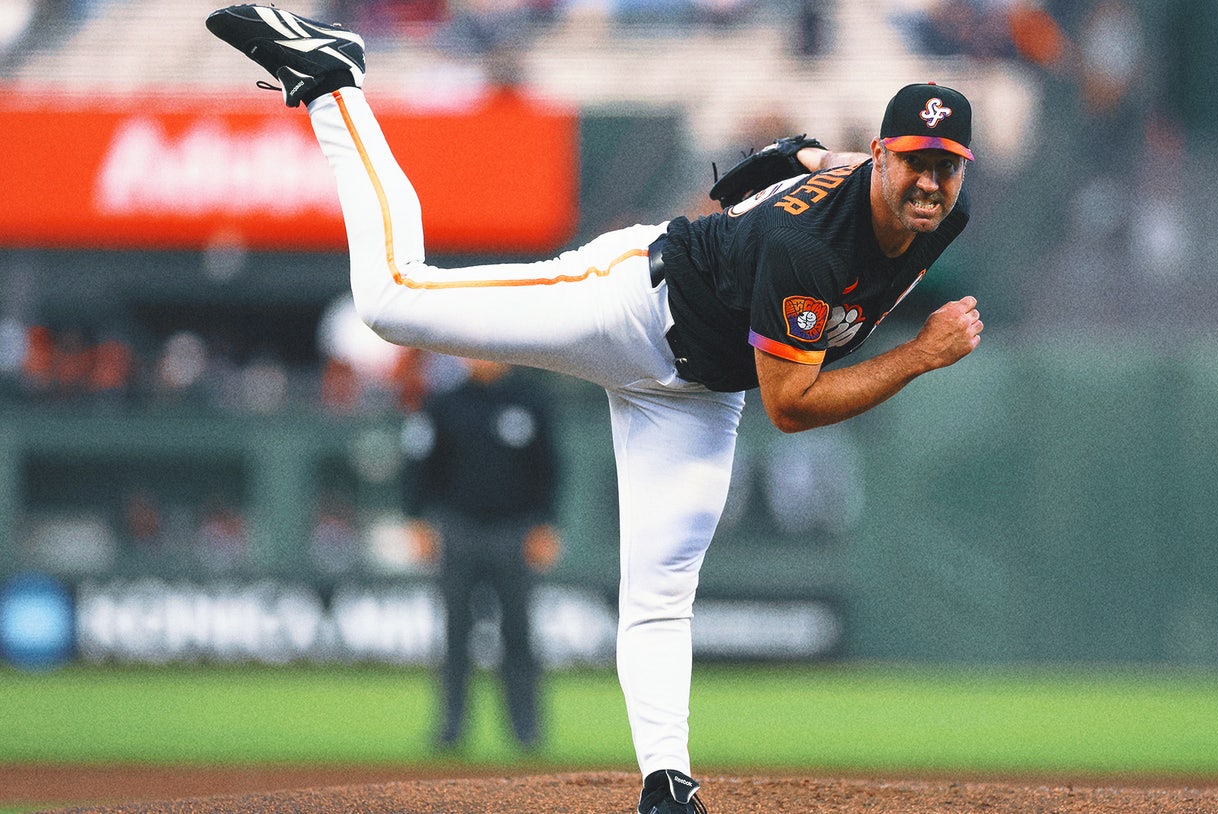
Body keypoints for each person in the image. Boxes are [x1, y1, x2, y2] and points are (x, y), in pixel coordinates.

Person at [207, 6, 984, 811]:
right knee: (390, 299)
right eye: (913, 161)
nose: (930, 181)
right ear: (883, 156)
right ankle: (333, 81)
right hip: (632, 305)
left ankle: (667, 783)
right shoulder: (808, 246)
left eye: (947, 164)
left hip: (699, 392)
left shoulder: (935, 212)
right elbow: (791, 404)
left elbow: (806, 172)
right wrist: (919, 355)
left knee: (662, 590)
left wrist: (808, 156)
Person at [400, 357, 561, 754]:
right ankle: (451, 729)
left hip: (514, 530)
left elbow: (550, 467)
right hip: (458, 528)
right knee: (455, 633)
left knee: (519, 633)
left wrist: (545, 524)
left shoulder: (529, 401)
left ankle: (526, 732)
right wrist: (416, 520)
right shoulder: (444, 403)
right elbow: (419, 464)